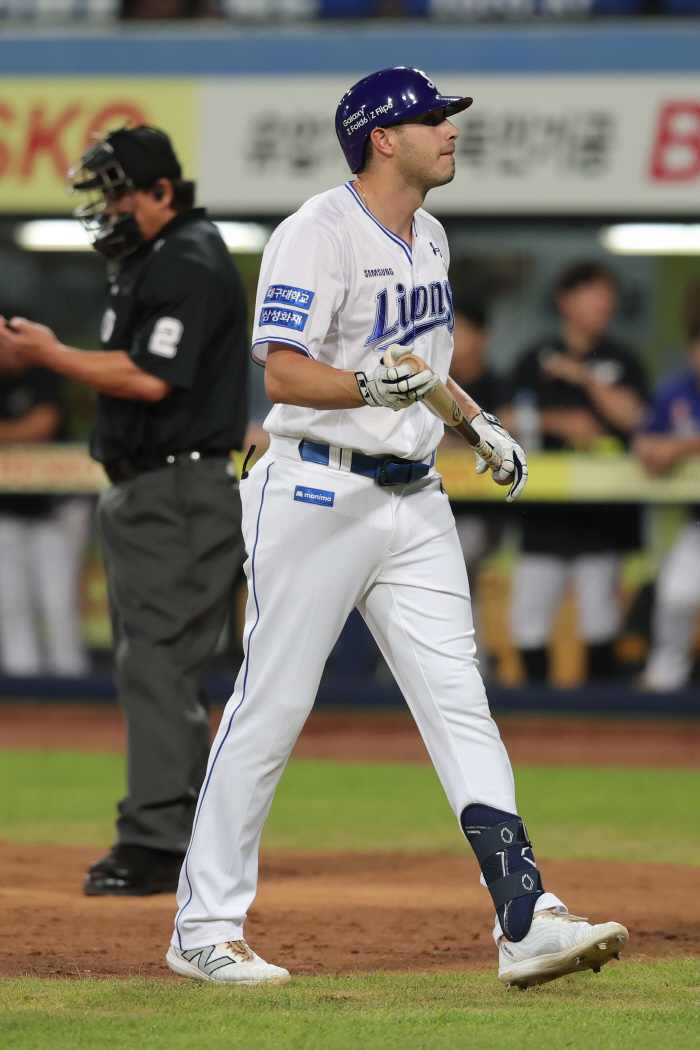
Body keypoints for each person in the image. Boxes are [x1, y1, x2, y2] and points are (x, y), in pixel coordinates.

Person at [166, 68, 627, 990]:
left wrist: (476, 420)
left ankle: (526, 916)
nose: (450, 130)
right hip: (313, 490)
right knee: (274, 705)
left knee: (461, 701)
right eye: (432, 118)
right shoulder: (317, 230)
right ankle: (203, 927)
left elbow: (418, 368)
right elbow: (286, 378)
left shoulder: (432, 235)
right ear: (382, 136)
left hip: (413, 496)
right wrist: (376, 386)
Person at [0, 126, 249, 896]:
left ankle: (156, 842)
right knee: (158, 665)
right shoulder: (158, 258)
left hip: (176, 489)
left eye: (117, 191)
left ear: (161, 193)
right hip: (155, 487)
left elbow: (150, 379)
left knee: (159, 668)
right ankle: (180, 834)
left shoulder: (189, 258)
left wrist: (50, 356)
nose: (106, 207)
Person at [505, 261, 648, 684]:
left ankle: (598, 720)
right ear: (565, 300)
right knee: (528, 619)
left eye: (609, 295)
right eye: (592, 293)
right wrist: (558, 422)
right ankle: (536, 717)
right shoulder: (534, 357)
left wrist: (585, 378)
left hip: (603, 517)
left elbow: (638, 417)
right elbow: (501, 417)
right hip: (544, 515)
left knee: (600, 618)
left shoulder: (623, 358)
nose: (604, 303)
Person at [0, 343, 89, 676]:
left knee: (59, 608)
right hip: (7, 510)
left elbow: (42, 426)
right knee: (11, 609)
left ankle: (73, 697)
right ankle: (22, 701)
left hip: (56, 510)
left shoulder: (43, 371)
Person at [636, 317, 700, 690]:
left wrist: (681, 446)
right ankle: (665, 675)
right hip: (697, 521)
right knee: (676, 593)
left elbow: (670, 446)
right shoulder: (675, 392)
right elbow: (645, 444)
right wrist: (657, 448)